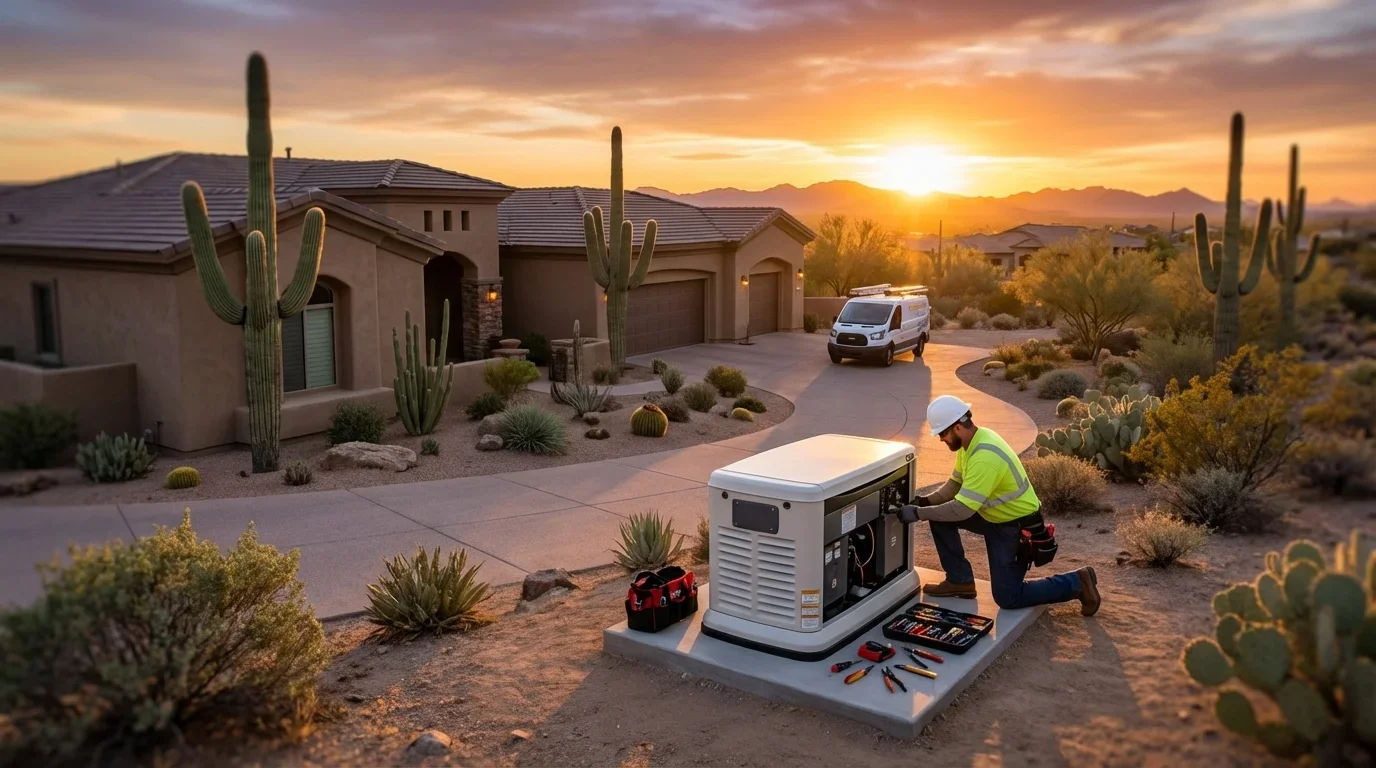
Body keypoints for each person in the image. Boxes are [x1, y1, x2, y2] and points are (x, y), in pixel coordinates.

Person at [898, 395, 1101, 616]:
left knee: (1008, 597)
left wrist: (918, 513)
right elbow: (954, 485)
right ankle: (960, 581)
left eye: (942, 434)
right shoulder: (971, 444)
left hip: (1014, 528)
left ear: (957, 427)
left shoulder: (984, 456)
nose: (941, 440)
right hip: (993, 517)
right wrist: (925, 502)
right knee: (939, 517)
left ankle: (1077, 582)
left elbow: (962, 509)